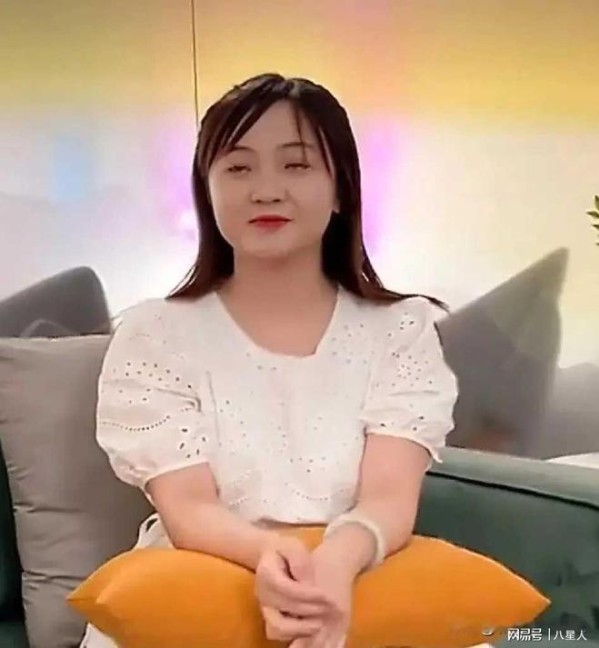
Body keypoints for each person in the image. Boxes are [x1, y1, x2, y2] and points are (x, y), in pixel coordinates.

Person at [80, 72, 459, 648]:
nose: (266, 190)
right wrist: (273, 556)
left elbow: (389, 497)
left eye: (296, 164)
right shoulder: (154, 334)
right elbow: (188, 508)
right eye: (238, 168)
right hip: (197, 585)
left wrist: (336, 561)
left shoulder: (401, 330)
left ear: (341, 189)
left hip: (358, 571)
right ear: (207, 191)